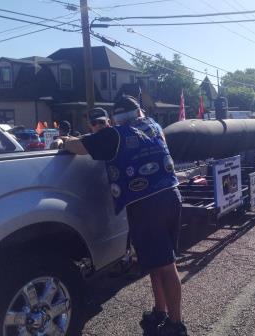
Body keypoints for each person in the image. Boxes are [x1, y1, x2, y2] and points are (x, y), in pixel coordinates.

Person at [61, 97, 187, 336]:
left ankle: (176, 325)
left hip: (146, 204)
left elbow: (79, 146)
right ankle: (160, 312)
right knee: (156, 261)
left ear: (115, 118)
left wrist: (64, 140)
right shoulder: (153, 125)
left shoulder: (114, 135)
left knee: (166, 265)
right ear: (138, 111)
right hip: (171, 195)